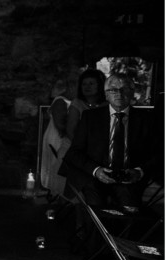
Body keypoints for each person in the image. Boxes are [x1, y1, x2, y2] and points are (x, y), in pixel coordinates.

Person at [61, 73, 157, 209]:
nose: (119, 93)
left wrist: (139, 171)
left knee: (129, 209)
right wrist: (96, 170)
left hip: (129, 178)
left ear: (132, 93)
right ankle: (96, 230)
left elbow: (157, 154)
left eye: (124, 89)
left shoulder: (146, 120)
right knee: (96, 208)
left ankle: (123, 229)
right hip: (96, 176)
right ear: (106, 95)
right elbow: (74, 152)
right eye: (113, 90)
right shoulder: (90, 117)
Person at [40, 80, 70, 198]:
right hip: (57, 136)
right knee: (56, 162)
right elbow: (60, 123)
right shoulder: (60, 101)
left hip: (60, 134)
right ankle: (56, 192)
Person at [66, 68, 106, 141]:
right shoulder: (77, 103)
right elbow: (70, 131)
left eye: (91, 83)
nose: (87, 87)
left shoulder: (106, 105)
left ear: (100, 86)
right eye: (84, 84)